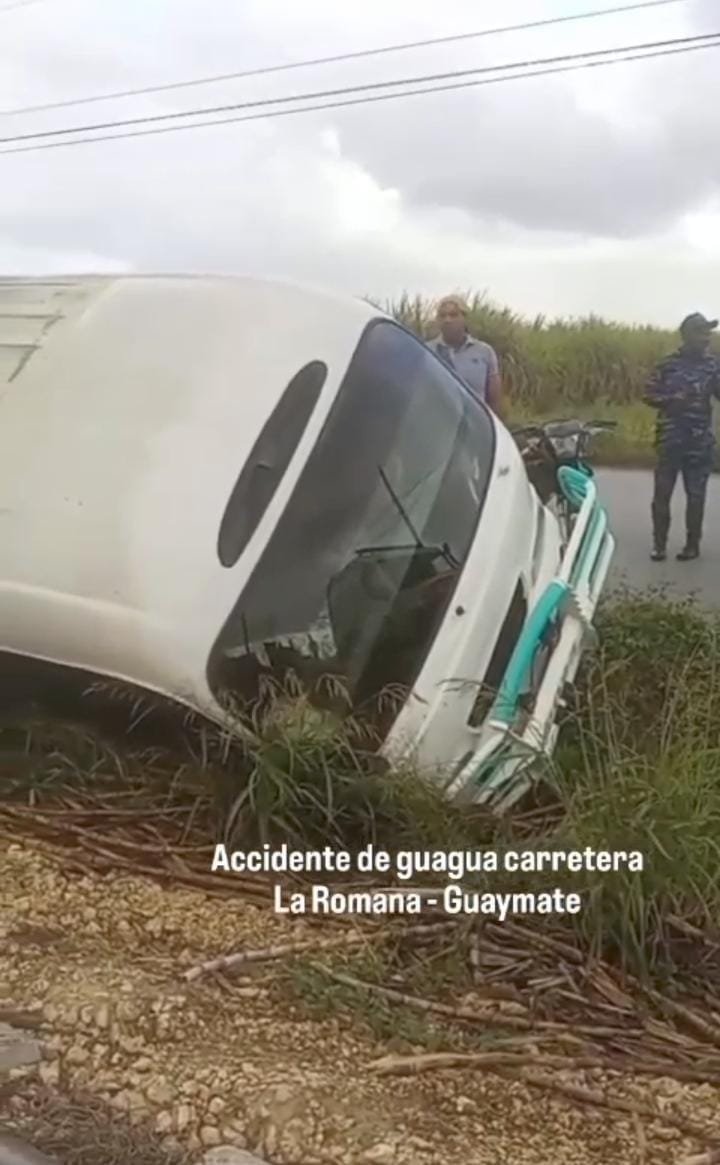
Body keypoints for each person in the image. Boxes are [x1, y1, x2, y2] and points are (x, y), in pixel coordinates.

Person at [644, 312, 720, 561]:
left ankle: (692, 546)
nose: (706, 338)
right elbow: (648, 394)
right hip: (670, 439)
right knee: (662, 494)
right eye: (701, 332)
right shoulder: (668, 364)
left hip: (699, 442)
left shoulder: (713, 365)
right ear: (686, 335)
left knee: (696, 496)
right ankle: (659, 545)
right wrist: (670, 400)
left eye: (708, 333)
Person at [426, 295, 503, 415]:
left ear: (464, 319)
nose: (447, 320)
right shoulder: (427, 352)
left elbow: (495, 400)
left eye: (453, 315)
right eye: (442, 315)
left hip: (475, 422)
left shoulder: (484, 352)